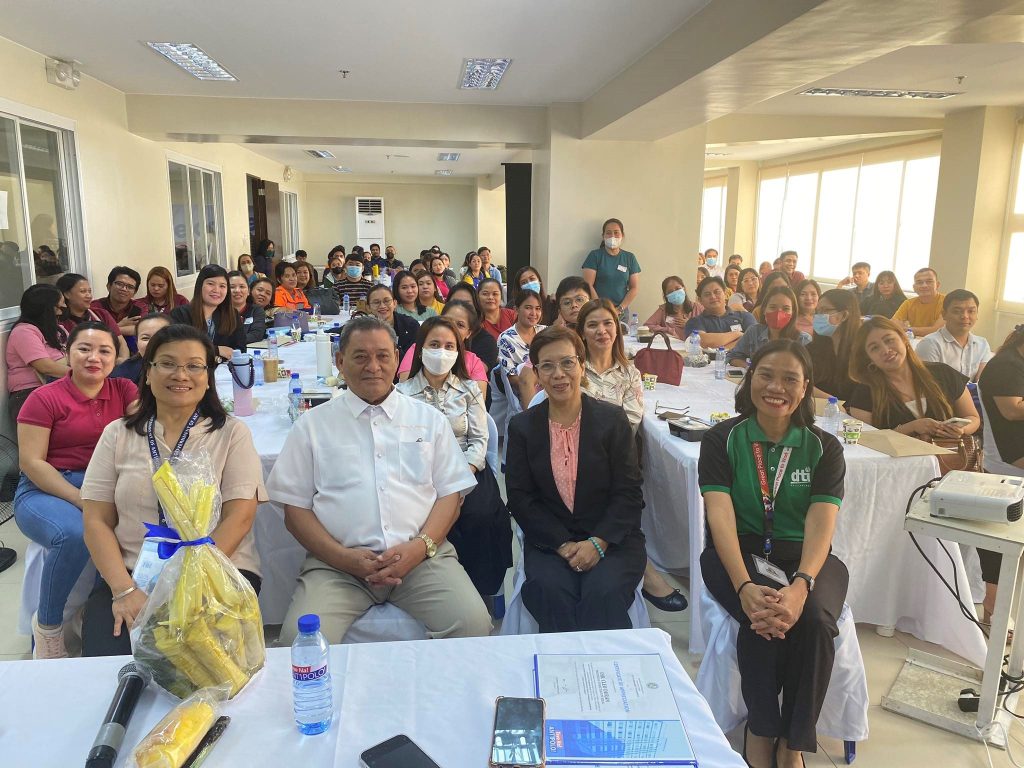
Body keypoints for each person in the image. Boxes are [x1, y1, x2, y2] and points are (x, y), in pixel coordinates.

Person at [267, 315, 492, 644]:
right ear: (340, 362)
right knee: (297, 643)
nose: (373, 366)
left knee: (472, 623)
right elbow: (295, 511)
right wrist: (343, 558)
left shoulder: (428, 420)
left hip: (422, 559)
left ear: (398, 359)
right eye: (360, 356)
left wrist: (420, 548)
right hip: (337, 566)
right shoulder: (313, 426)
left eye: (383, 356)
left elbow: (450, 496)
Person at [699, 340, 848, 768]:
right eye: (766, 375)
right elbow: (720, 518)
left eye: (789, 379)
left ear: (805, 389)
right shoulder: (722, 438)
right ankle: (761, 732)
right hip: (738, 552)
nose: (776, 387)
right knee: (762, 615)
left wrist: (802, 586)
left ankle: (794, 744)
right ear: (750, 379)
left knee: (817, 621)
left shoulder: (823, 447)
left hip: (806, 558)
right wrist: (743, 584)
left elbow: (822, 522)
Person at [80, 324, 265, 656]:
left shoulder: (231, 434)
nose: (181, 374)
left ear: (208, 377)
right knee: (110, 667)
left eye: (194, 365)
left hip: (217, 574)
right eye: (167, 363)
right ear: (148, 373)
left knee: (203, 670)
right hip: (133, 575)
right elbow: (96, 520)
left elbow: (240, 517)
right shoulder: (117, 434)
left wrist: (185, 589)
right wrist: (123, 591)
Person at [505, 326, 645, 632]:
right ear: (537, 374)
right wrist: (562, 544)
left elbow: (629, 493)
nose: (559, 374)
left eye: (568, 363)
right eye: (548, 366)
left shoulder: (612, 420)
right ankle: (562, 673)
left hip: (612, 538)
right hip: (551, 541)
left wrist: (598, 542)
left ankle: (607, 673)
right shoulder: (523, 428)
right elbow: (520, 498)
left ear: (582, 366)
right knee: (550, 592)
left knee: (602, 594)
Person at [15, 322, 138, 658]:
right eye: (84, 348)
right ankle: (49, 627)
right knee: (72, 533)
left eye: (104, 350)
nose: (93, 357)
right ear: (68, 353)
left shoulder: (124, 390)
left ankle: (94, 615)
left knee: (125, 529)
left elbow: (144, 431)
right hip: (46, 489)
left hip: (103, 485)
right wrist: (81, 499)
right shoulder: (44, 398)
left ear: (116, 357)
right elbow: (32, 463)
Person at [397, 317, 512, 597]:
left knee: (483, 516)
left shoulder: (469, 389)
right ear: (420, 350)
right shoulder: (402, 394)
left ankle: (480, 589)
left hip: (466, 470)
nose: (442, 352)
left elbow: (479, 440)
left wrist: (463, 473)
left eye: (450, 346)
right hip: (419, 473)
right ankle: (427, 586)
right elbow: (400, 444)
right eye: (434, 345)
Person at [847, 316, 981, 439]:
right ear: (868, 358)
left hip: (950, 461)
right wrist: (911, 428)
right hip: (897, 464)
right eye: (874, 348)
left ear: (904, 339)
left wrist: (962, 430)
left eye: (889, 340)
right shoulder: (864, 392)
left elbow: (973, 417)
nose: (886, 350)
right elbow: (867, 440)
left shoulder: (943, 373)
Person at [976, 326, 1024, 626]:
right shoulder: (1004, 365)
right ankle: (992, 611)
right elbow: (1013, 409)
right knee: (997, 544)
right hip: (1007, 464)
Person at [399, 301, 492, 396]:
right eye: (448, 321)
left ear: (469, 333)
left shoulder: (474, 362)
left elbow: (479, 400)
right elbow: (405, 388)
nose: (452, 327)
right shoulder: (417, 349)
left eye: (460, 325)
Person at [6, 284, 68, 422]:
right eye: (59, 307)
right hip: (29, 393)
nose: (61, 312)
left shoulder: (57, 330)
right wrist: (82, 374)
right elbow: (45, 367)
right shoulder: (24, 331)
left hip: (58, 387)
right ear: (45, 309)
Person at [169, 264, 246, 362]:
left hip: (225, 373)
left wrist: (216, 358)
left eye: (222, 286)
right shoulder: (180, 314)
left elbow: (240, 350)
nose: (216, 290)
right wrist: (217, 350)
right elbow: (180, 348)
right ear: (200, 285)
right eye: (211, 284)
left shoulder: (232, 314)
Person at [914, 289, 992, 381]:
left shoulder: (982, 344)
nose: (965, 316)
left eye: (971, 311)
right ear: (944, 314)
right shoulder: (930, 344)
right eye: (957, 311)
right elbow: (930, 385)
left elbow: (982, 382)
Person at [727, 286, 811, 366]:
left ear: (793, 312)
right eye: (773, 307)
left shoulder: (804, 340)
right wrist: (752, 368)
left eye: (786, 309)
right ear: (764, 310)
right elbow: (733, 356)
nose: (778, 313)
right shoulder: (754, 332)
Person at [57, 273, 128, 362]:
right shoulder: (59, 321)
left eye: (89, 291)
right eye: (83, 291)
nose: (89, 296)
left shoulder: (101, 314)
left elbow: (121, 343)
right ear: (67, 294)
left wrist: (123, 362)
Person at [805, 289, 862, 402]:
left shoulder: (863, 351)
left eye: (825, 310)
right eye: (817, 311)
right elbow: (802, 382)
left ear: (844, 315)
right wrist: (832, 401)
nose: (819, 316)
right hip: (818, 411)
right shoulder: (812, 349)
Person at [582, 218, 640, 315]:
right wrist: (600, 307)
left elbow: (634, 288)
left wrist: (619, 309)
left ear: (622, 235)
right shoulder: (595, 255)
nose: (612, 236)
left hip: (621, 311)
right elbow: (588, 285)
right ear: (603, 236)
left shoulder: (630, 257)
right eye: (608, 233)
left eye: (616, 232)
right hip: (597, 310)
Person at [684, 276, 756, 350]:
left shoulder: (745, 316)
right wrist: (738, 334)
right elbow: (700, 341)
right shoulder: (695, 321)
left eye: (717, 292)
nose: (713, 296)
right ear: (700, 300)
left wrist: (721, 349)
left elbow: (754, 340)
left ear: (725, 294)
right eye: (707, 294)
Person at [498, 290, 546, 397]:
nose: (534, 313)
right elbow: (511, 378)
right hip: (522, 396)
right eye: (528, 308)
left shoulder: (545, 333)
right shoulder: (506, 339)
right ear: (516, 310)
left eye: (538, 309)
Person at [110, 313, 173, 384]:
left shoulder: (185, 371)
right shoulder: (120, 378)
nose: (153, 342)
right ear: (137, 343)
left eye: (160, 336)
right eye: (145, 338)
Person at [93, 267, 143, 351]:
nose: (124, 289)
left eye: (130, 287)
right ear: (109, 286)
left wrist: (112, 328)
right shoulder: (95, 307)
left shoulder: (139, 307)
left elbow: (140, 330)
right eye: (119, 284)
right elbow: (94, 335)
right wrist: (121, 325)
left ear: (135, 292)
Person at [367, 283, 419, 362]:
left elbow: (414, 357)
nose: (382, 306)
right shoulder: (363, 329)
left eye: (387, 301)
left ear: (395, 303)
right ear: (368, 308)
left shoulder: (411, 325)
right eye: (376, 302)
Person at [892, 267, 945, 336]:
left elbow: (936, 331)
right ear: (914, 287)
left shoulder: (947, 302)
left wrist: (906, 329)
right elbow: (892, 325)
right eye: (919, 282)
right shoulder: (908, 304)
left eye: (929, 281)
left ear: (937, 285)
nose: (924, 285)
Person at [644, 275, 694, 341]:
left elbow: (708, 329)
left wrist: (690, 325)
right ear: (666, 296)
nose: (675, 293)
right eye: (670, 292)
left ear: (683, 288)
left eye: (677, 289)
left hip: (693, 348)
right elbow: (647, 326)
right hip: (672, 348)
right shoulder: (663, 310)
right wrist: (667, 330)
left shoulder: (697, 307)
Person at [229, 270, 267, 344]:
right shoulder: (219, 311)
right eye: (232, 287)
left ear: (249, 291)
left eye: (242, 286)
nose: (237, 290)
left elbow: (256, 335)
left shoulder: (256, 310)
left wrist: (230, 341)